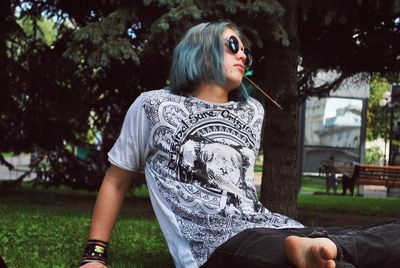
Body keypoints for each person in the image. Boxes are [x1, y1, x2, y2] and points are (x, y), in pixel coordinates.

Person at [79, 20, 400, 268]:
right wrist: (94, 255)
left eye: (245, 49)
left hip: (273, 227)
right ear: (200, 50)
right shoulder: (152, 105)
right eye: (233, 45)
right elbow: (116, 181)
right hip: (212, 245)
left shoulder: (252, 111)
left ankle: (325, 246)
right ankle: (322, 248)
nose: (243, 54)